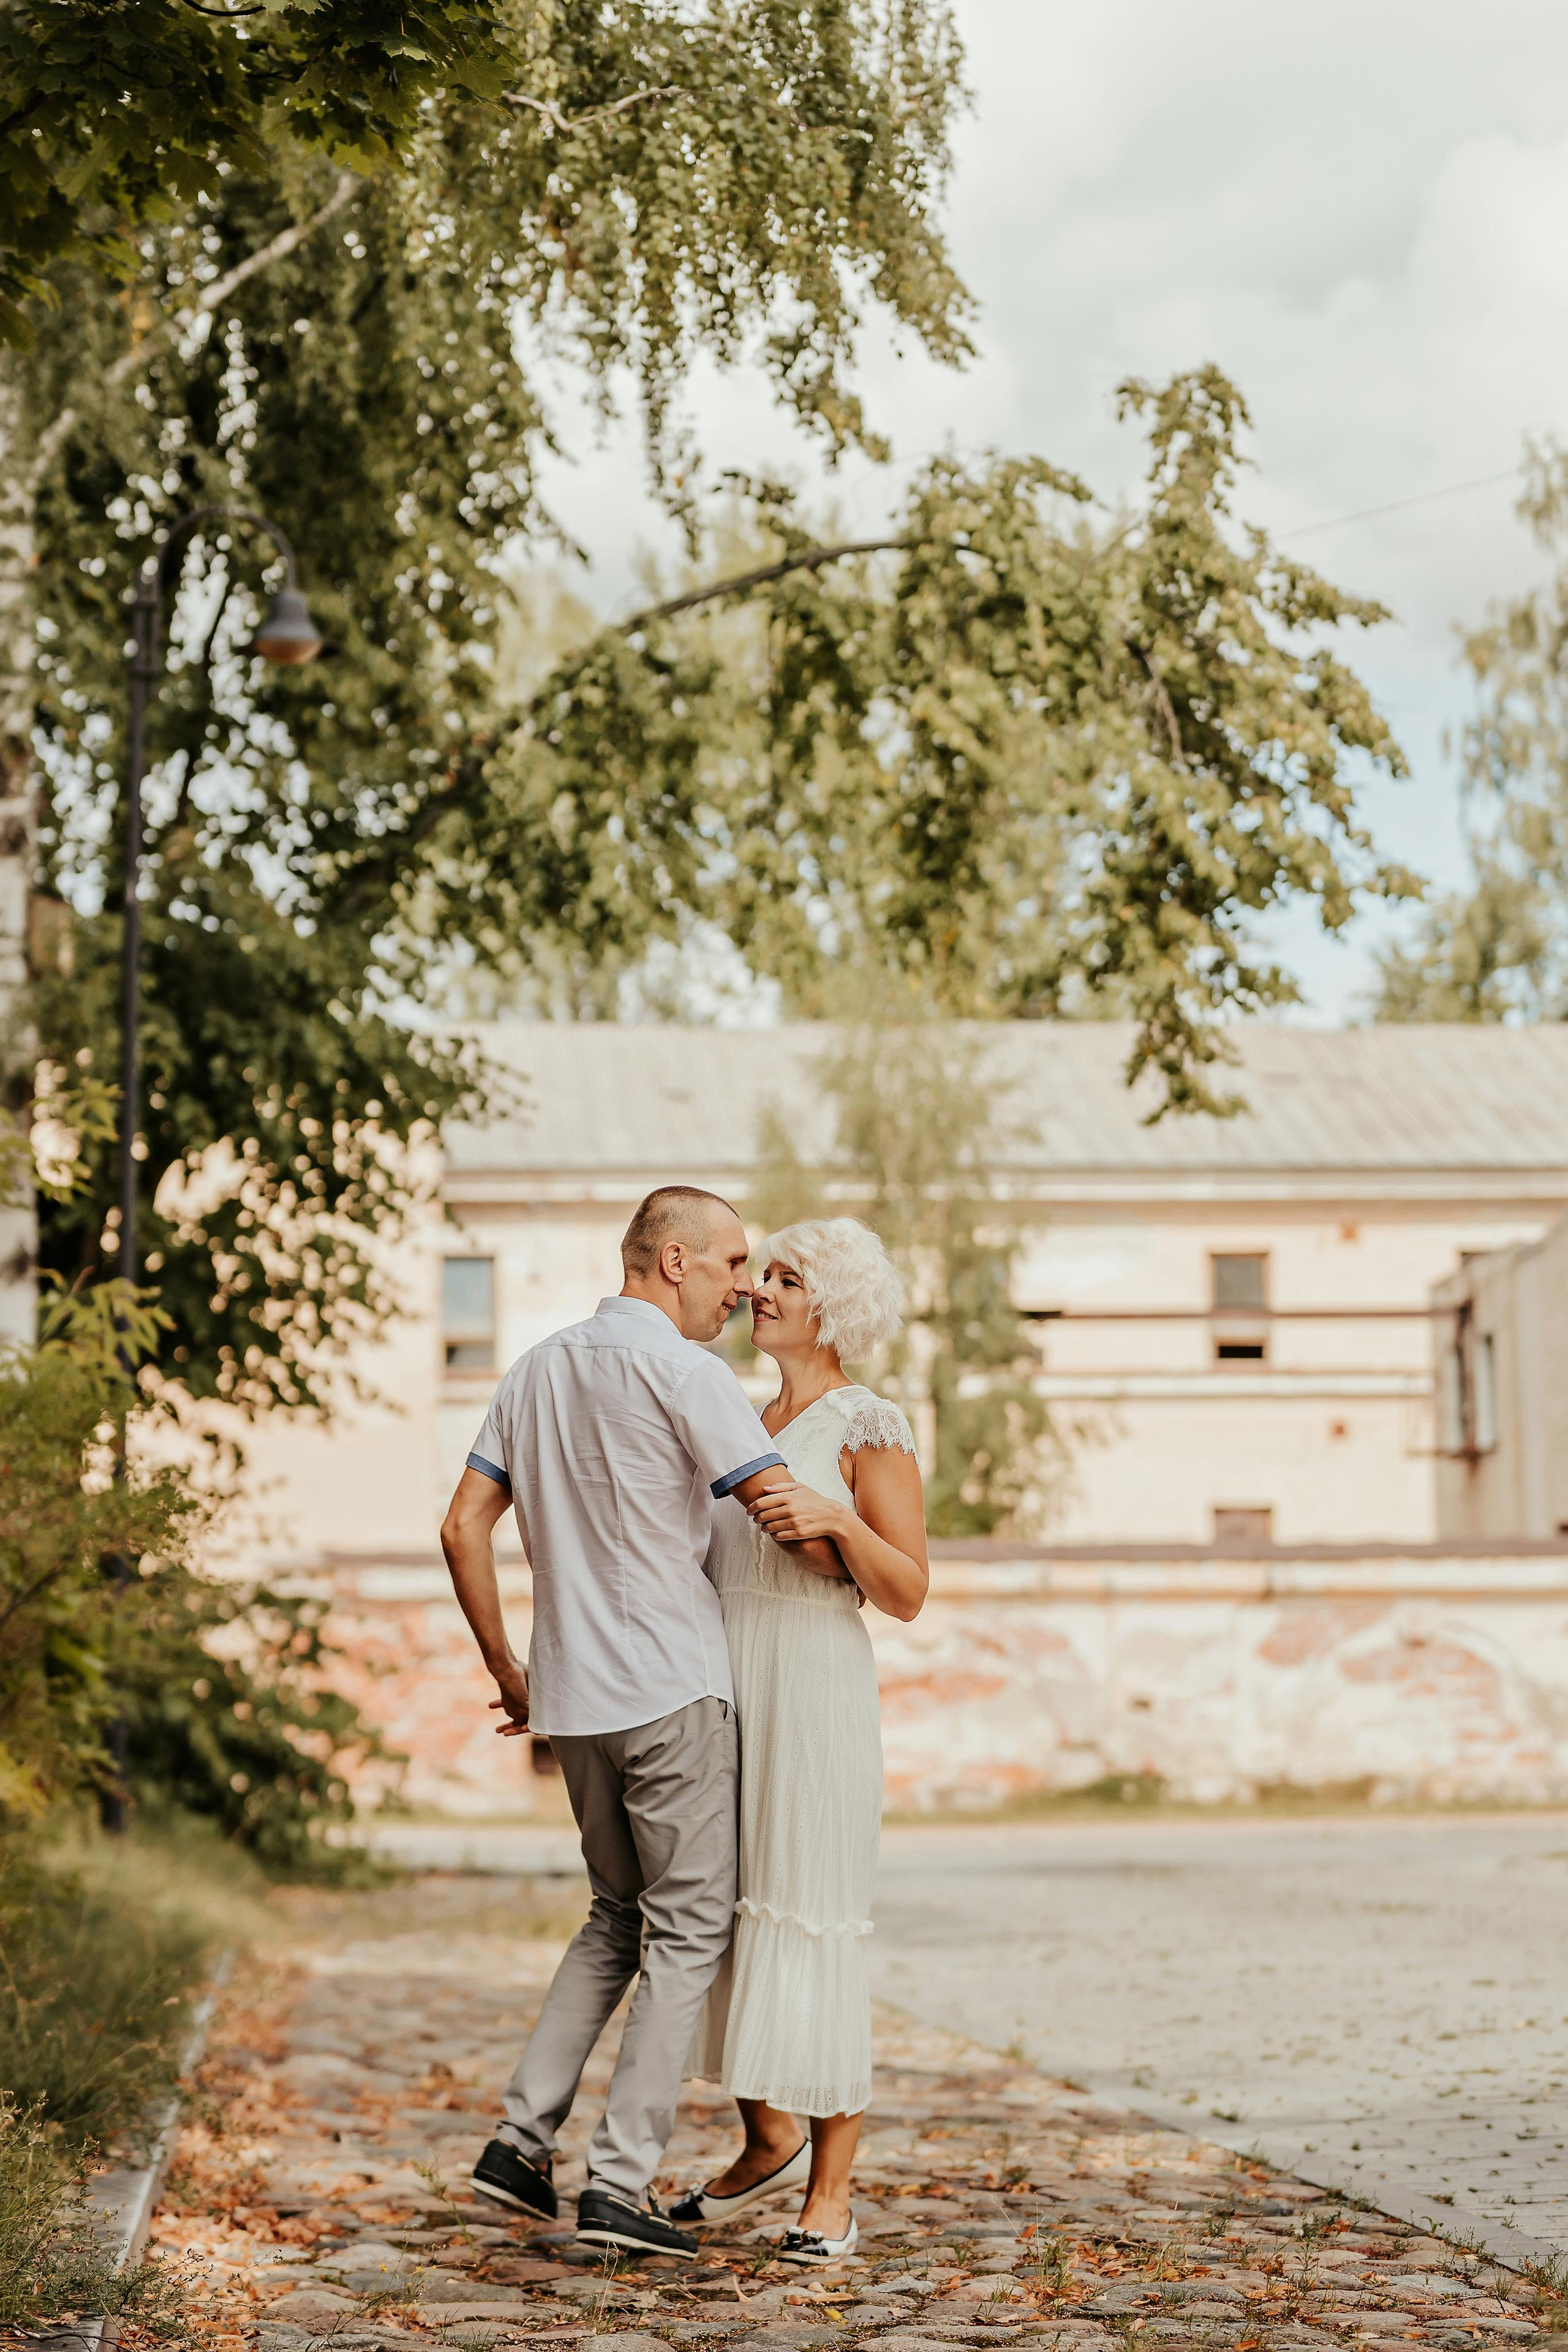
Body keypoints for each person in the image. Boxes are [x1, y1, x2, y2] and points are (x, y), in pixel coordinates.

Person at [439, 1185, 830, 2258]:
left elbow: (463, 1525)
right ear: (671, 1262)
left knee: (617, 1918)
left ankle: (520, 2146)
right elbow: (776, 1505)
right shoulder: (687, 1372)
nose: (743, 1285)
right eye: (732, 1263)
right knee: (689, 1932)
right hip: (670, 1690)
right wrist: (870, 1564)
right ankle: (618, 2185)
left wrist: (508, 1669)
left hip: (572, 1701)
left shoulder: (532, 1371)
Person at [679, 1218, 929, 2264]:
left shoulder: (869, 1422)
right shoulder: (737, 1415)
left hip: (817, 1687)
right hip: (728, 1680)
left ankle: (831, 2195)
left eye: (783, 1279)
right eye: (758, 1275)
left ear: (831, 1306)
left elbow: (907, 1589)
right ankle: (764, 2133)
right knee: (723, 1914)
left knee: (812, 1915)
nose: (756, 1293)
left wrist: (835, 1518)